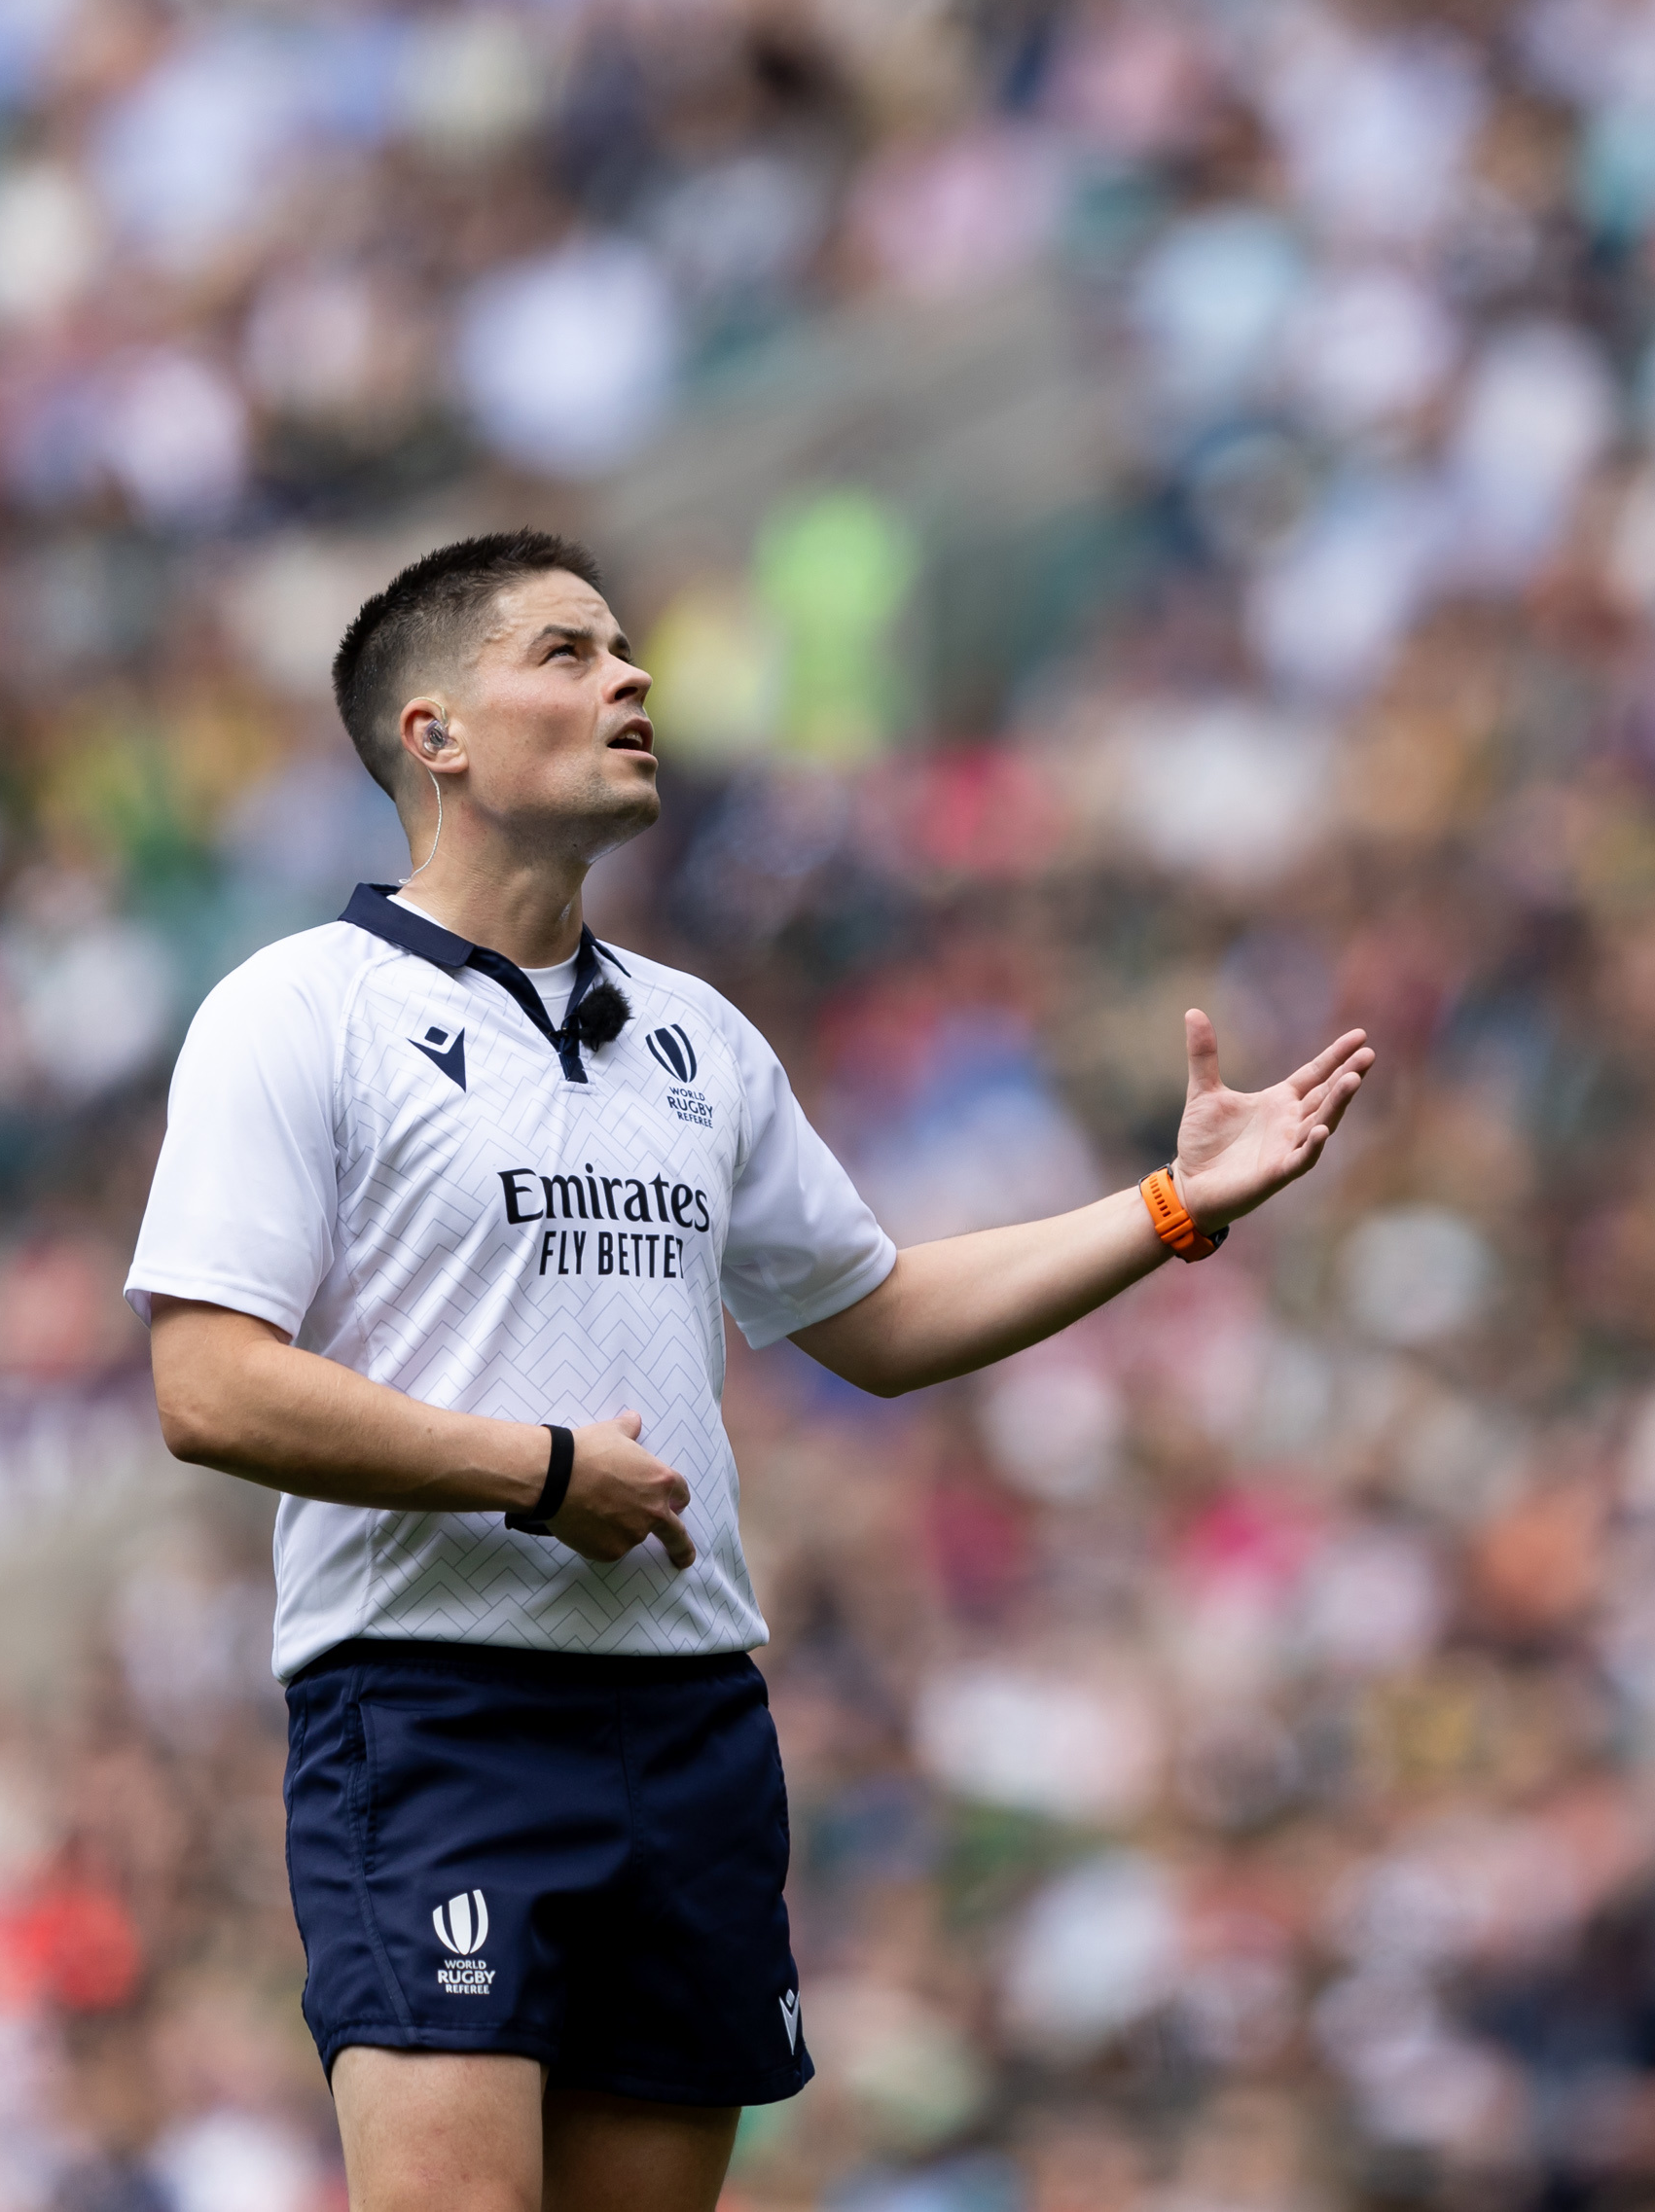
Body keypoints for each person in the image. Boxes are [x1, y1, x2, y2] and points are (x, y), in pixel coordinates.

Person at [124, 530, 1374, 2212]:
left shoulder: (699, 1038)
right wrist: (538, 1472)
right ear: (434, 734)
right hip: (432, 1707)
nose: (629, 678)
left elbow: (877, 1316)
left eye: (627, 650)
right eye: (565, 655)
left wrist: (1166, 1210)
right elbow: (208, 1383)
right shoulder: (297, 1012)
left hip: (692, 1714)